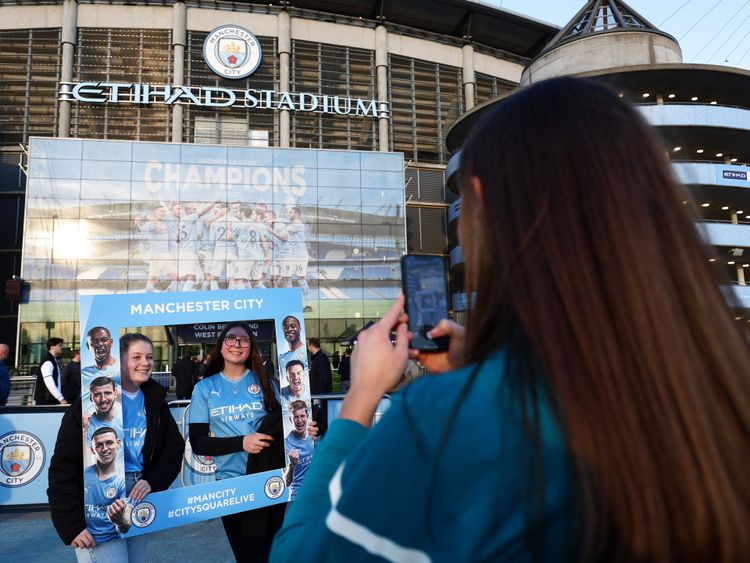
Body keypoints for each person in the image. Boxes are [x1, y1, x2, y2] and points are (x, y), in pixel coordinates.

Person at [272, 77, 750, 562]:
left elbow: (299, 555)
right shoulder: (721, 384)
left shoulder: (445, 420)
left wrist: (360, 398)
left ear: (480, 203)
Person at [48, 333, 185, 561]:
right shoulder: (88, 405)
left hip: (138, 496)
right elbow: (64, 467)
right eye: (137, 357)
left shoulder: (155, 402)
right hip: (97, 502)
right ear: (119, 360)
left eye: (150, 357)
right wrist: (70, 525)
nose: (145, 363)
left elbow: (173, 449)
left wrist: (152, 480)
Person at [188, 322, 285, 562]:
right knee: (248, 556)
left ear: (250, 347)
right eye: (230, 339)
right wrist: (242, 442)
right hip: (232, 486)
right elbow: (199, 443)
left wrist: (307, 431)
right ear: (220, 347)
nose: (237, 344)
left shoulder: (267, 383)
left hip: (269, 479)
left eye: (243, 340)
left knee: (274, 554)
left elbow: (288, 425)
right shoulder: (204, 388)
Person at [283, 400, 314, 501]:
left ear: (307, 416)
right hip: (299, 497)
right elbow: (286, 483)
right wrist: (292, 465)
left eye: (302, 416)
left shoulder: (313, 435)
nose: (299, 420)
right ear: (291, 419)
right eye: (296, 417)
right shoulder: (286, 444)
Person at [34, 337, 66, 405]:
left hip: (49, 399)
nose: (62, 347)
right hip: (46, 401)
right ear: (52, 347)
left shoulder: (53, 361)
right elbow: (49, 382)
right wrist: (61, 398)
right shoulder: (48, 362)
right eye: (60, 345)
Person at [278, 315, 307, 385]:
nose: (289, 329)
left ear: (300, 329)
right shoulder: (282, 358)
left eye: (293, 326)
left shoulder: (306, 352)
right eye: (286, 327)